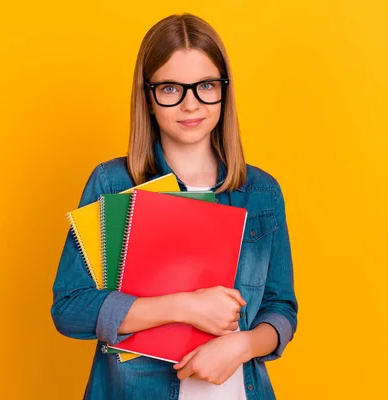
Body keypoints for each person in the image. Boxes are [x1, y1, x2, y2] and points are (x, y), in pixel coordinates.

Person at [51, 13, 298, 400]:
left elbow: (281, 309)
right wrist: (184, 306)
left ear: (224, 90)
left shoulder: (263, 191)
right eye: (170, 88)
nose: (190, 104)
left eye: (205, 86)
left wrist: (241, 346)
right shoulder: (113, 184)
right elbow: (70, 308)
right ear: (147, 97)